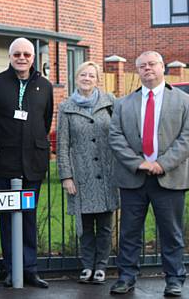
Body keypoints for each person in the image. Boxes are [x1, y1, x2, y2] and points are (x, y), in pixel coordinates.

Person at [108, 51, 189, 297]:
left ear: (162, 67)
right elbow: (116, 137)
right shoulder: (123, 103)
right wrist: (138, 163)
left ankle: (174, 279)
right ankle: (126, 277)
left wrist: (162, 163)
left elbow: (187, 137)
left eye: (152, 64)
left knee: (171, 232)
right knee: (129, 232)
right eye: (142, 66)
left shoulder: (184, 101)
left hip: (169, 177)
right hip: (134, 178)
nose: (147, 69)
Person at [0, 37, 53, 289]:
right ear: (10, 57)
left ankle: (30, 269)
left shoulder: (44, 86)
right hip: (5, 162)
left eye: (27, 54)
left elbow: (45, 121)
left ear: (33, 58)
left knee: (29, 216)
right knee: (7, 218)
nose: (22, 58)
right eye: (17, 54)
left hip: (33, 163)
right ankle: (12, 269)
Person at [56, 61, 118, 284]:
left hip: (107, 174)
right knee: (85, 226)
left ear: (97, 79)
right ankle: (87, 266)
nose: (87, 78)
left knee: (104, 224)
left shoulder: (110, 102)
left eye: (91, 75)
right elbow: (62, 144)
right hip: (80, 176)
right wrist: (66, 176)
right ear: (76, 77)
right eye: (83, 74)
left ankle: (101, 266)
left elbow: (120, 134)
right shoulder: (66, 107)